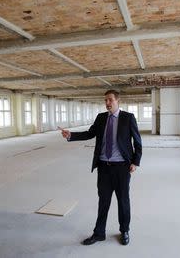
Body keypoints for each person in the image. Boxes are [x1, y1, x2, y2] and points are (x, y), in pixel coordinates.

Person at [59, 90, 142, 246]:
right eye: (105, 100)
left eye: (110, 100)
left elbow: (137, 142)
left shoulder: (128, 118)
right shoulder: (101, 118)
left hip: (122, 168)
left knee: (123, 200)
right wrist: (71, 135)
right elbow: (89, 133)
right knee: (103, 201)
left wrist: (135, 162)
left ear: (118, 101)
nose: (107, 103)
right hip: (104, 167)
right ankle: (99, 233)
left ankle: (124, 230)